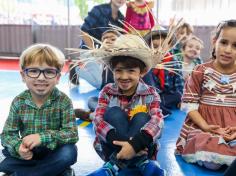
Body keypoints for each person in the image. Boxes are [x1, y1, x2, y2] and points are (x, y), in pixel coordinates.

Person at [79, 34, 165, 176]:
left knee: (142, 117)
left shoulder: (150, 93)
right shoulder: (107, 91)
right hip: (113, 146)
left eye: (131, 71)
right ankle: (141, 162)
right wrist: (128, 146)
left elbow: (158, 122)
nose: (124, 77)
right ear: (113, 70)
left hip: (141, 145)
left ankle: (112, 166)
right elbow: (98, 121)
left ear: (142, 72)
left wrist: (135, 144)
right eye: (119, 70)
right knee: (114, 113)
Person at [0, 44, 79, 176]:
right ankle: (53, 171)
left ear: (58, 77)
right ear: (23, 76)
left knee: (68, 153)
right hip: (29, 154)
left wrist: (42, 137)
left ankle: (25, 173)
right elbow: (7, 135)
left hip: (53, 151)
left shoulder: (63, 101)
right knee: (5, 156)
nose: (41, 78)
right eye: (33, 71)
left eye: (49, 72)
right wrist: (18, 147)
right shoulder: (19, 101)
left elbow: (72, 134)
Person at [176, 19, 236, 170]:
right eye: (224, 42)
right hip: (203, 125)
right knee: (212, 161)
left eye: (235, 46)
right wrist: (206, 126)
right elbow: (189, 105)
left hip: (233, 128)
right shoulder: (200, 70)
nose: (228, 50)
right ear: (214, 41)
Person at [74, 29, 121, 121]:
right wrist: (92, 49)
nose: (108, 40)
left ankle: (92, 116)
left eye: (113, 39)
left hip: (126, 101)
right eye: (105, 39)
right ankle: (109, 114)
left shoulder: (125, 57)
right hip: (108, 100)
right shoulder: (98, 59)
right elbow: (98, 82)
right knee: (92, 100)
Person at [143, 29, 184, 117]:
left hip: (166, 96)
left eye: (162, 46)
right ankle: (156, 106)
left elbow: (179, 85)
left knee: (178, 95)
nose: (159, 50)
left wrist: (181, 100)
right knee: (147, 74)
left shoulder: (174, 62)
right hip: (150, 95)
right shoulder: (147, 62)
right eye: (155, 46)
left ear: (169, 46)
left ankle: (156, 106)